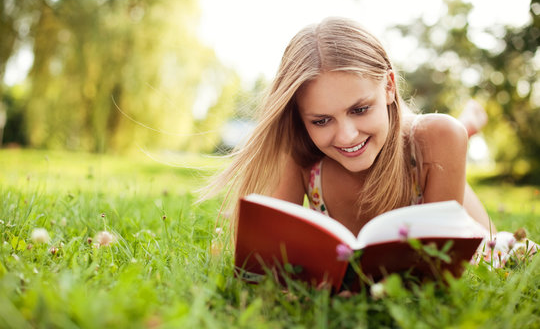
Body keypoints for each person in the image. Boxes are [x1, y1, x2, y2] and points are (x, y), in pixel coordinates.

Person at [206, 17, 536, 268]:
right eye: (321, 120)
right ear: (299, 117)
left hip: (439, 182)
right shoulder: (302, 154)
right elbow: (268, 262)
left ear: (390, 87)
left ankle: (468, 124)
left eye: (360, 109)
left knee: (445, 136)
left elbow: (438, 268)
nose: (347, 135)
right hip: (406, 143)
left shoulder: (437, 139)